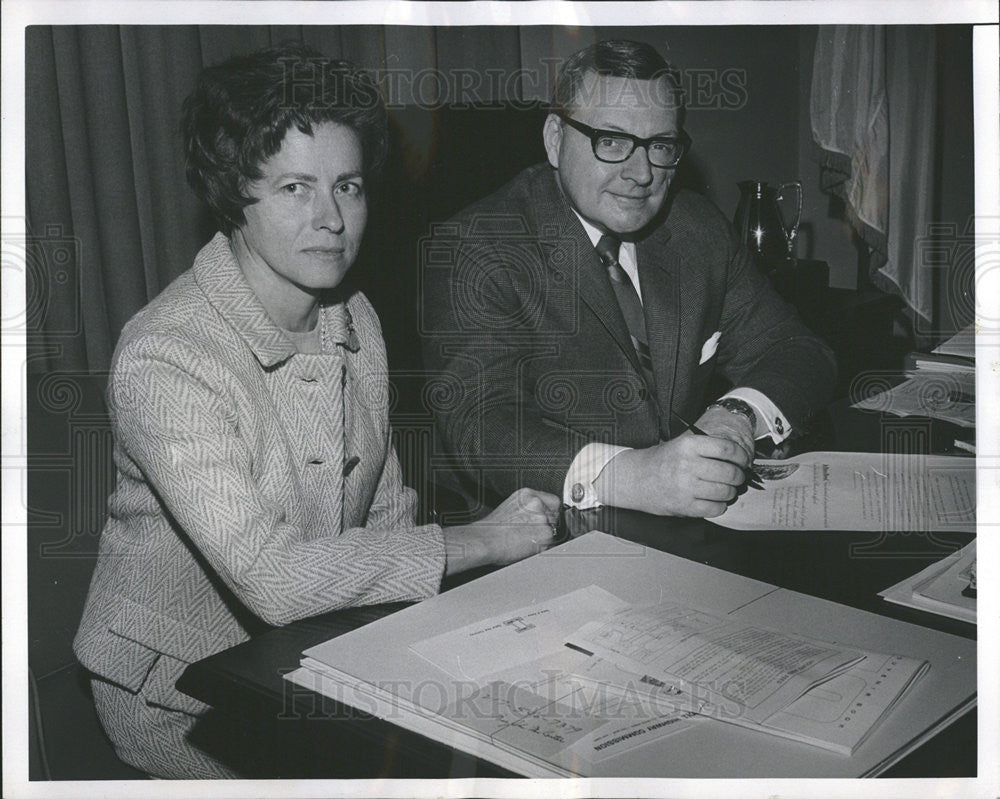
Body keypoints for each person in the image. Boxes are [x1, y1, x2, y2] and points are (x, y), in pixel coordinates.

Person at [73, 44, 559, 780]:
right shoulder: (164, 356)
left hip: (307, 657)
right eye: (295, 187)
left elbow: (388, 513)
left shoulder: (353, 316)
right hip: (183, 697)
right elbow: (273, 579)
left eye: (349, 186)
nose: (331, 218)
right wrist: (481, 541)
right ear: (234, 194)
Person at [421, 40, 836, 518]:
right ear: (555, 139)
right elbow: (481, 421)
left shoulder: (695, 229)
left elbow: (802, 351)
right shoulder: (477, 245)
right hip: (538, 537)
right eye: (612, 141)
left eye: (660, 146)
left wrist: (736, 416)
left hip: (686, 532)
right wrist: (633, 476)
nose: (641, 174)